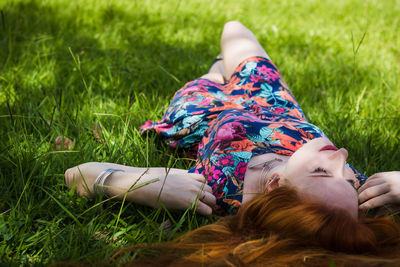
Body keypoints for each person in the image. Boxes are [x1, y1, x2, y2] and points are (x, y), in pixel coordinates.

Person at [64, 21, 400, 265]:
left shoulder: (214, 193)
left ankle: (217, 74)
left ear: (274, 184)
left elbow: (76, 175)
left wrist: (144, 184)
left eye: (322, 171)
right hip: (273, 101)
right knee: (233, 29)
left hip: (206, 112)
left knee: (213, 74)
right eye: (350, 177)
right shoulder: (346, 200)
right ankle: (229, 71)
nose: (341, 155)